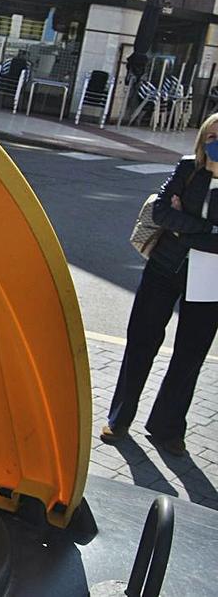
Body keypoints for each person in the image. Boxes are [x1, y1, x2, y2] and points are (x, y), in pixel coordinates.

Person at [102, 113, 218, 457]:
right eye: (211, 134)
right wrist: (207, 229)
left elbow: (176, 217)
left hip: (210, 276)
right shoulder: (188, 168)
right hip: (164, 267)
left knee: (190, 355)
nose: (215, 140)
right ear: (202, 138)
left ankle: (167, 428)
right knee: (141, 341)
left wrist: (188, 225)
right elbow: (160, 214)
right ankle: (119, 418)